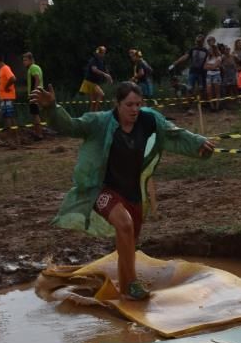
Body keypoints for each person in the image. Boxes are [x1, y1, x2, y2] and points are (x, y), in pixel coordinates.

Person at [32, 81, 214, 300]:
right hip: (102, 188)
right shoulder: (99, 122)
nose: (134, 110)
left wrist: (199, 143)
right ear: (117, 104)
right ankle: (131, 285)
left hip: (133, 192)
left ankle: (125, 286)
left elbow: (174, 134)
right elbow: (71, 126)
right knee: (124, 223)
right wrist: (52, 108)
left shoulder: (149, 120)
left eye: (138, 104)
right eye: (129, 105)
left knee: (129, 241)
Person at [170, 35, 208, 101]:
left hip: (202, 72)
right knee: (189, 88)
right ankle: (189, 104)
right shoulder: (192, 49)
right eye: (197, 41)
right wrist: (177, 61)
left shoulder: (206, 51)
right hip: (193, 71)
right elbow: (185, 56)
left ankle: (201, 104)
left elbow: (209, 60)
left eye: (200, 41)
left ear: (203, 41)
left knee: (201, 88)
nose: (198, 42)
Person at [0, 54, 19, 147]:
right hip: (4, 97)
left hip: (7, 97)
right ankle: (13, 140)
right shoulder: (1, 70)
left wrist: (6, 87)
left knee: (9, 118)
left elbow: (13, 78)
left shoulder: (5, 68)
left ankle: (12, 140)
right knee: (8, 118)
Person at [81, 46, 112, 113]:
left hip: (94, 82)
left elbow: (105, 69)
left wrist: (109, 76)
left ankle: (91, 115)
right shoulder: (94, 60)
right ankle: (95, 113)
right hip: (90, 82)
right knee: (101, 94)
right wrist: (105, 75)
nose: (104, 54)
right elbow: (94, 69)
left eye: (104, 53)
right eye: (103, 53)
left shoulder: (101, 60)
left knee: (93, 101)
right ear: (99, 53)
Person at [23, 52, 45, 140]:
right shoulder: (35, 67)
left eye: (25, 60)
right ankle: (38, 132)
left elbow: (37, 79)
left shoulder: (33, 67)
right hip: (38, 93)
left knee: (35, 114)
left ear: (31, 60)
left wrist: (34, 93)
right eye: (23, 60)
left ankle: (39, 134)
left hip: (35, 95)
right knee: (36, 114)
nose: (24, 62)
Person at [202, 41, 222, 111]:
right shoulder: (208, 57)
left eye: (210, 49)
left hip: (216, 74)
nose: (209, 51)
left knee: (217, 91)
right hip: (209, 75)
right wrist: (211, 66)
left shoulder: (218, 57)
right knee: (209, 91)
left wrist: (209, 66)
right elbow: (204, 67)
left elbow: (214, 66)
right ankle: (212, 106)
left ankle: (217, 106)